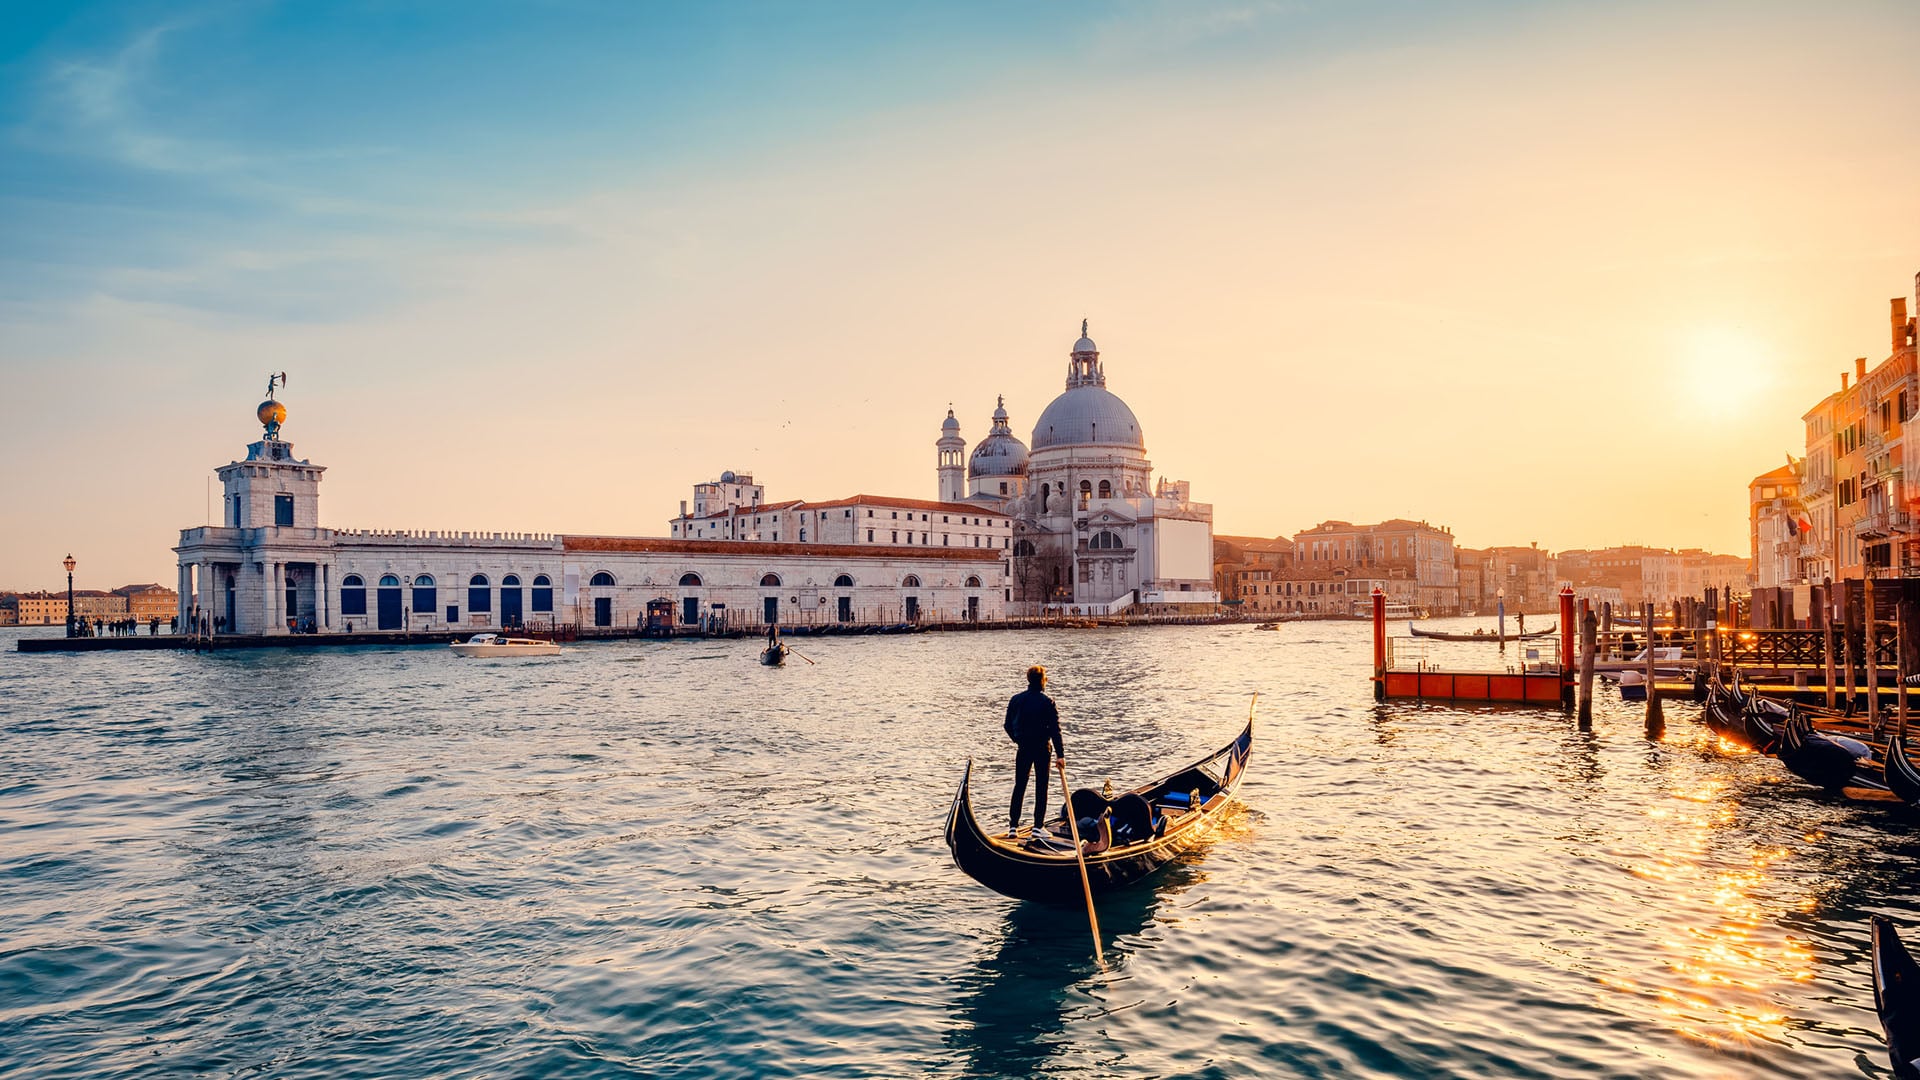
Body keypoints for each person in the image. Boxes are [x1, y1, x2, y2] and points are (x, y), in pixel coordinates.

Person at [1005, 664, 1064, 835]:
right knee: (1041, 786)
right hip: (1041, 748)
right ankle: (1038, 826)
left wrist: (1018, 739)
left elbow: (1007, 725)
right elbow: (1055, 730)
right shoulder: (1047, 702)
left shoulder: (1016, 700)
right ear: (1042, 680)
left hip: (1023, 747)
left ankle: (1013, 827)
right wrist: (1060, 755)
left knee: (1020, 785)